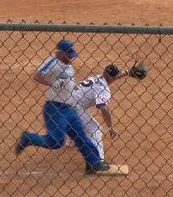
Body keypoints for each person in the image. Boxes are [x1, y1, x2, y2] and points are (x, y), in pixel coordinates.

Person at [15, 40, 112, 175]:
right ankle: (29, 138)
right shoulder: (53, 63)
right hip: (55, 109)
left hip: (70, 108)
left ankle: (93, 163)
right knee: (56, 142)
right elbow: (36, 76)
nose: (71, 57)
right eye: (68, 55)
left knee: (80, 137)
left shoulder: (68, 65)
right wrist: (51, 82)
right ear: (60, 53)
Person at [72, 64, 131, 160]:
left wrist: (128, 72)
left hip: (67, 99)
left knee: (85, 110)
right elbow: (104, 109)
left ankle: (73, 138)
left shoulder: (98, 77)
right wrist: (110, 127)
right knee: (96, 129)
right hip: (74, 107)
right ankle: (98, 160)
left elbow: (114, 76)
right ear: (113, 77)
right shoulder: (103, 89)